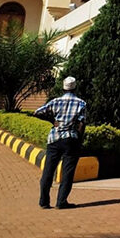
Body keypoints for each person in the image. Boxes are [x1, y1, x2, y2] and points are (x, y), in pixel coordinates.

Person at [34, 76, 87, 209]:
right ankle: (61, 201)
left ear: (63, 88)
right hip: (71, 139)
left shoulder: (55, 102)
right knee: (67, 172)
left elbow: (37, 112)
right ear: (75, 88)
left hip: (54, 139)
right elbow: (82, 124)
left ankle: (44, 201)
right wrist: (79, 140)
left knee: (48, 170)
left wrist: (52, 121)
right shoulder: (81, 103)